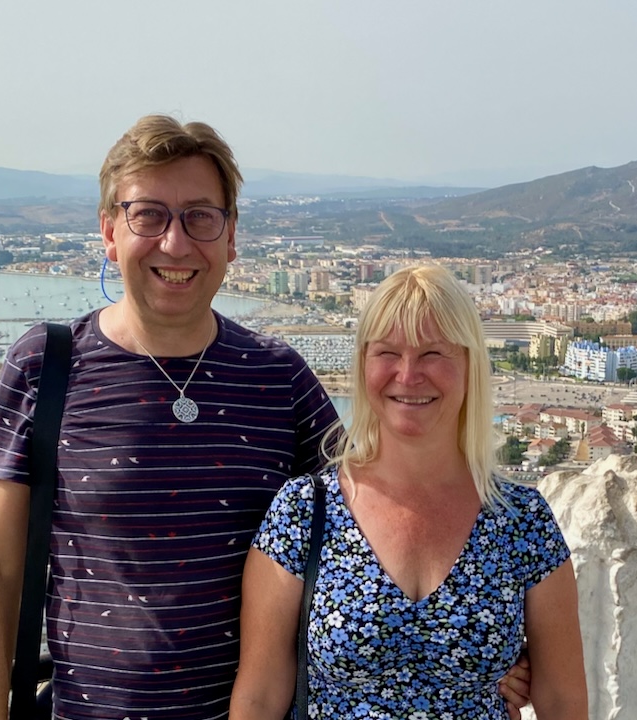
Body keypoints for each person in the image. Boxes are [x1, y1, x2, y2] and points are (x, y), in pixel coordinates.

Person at [0, 115, 530, 720]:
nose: (175, 243)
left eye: (200, 216)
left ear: (230, 238)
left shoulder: (278, 377)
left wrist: (485, 649)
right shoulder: (47, 367)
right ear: (109, 231)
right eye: (148, 214)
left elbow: (384, 519)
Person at [230, 266, 586, 719]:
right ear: (363, 364)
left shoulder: (523, 520)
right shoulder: (303, 511)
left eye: (433, 353)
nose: (408, 374)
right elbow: (259, 695)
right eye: (387, 353)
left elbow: (563, 701)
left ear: (470, 365)